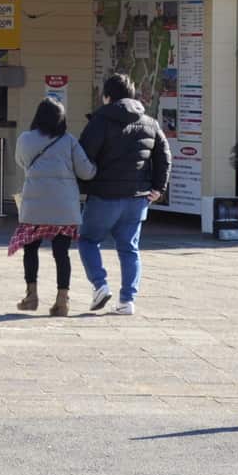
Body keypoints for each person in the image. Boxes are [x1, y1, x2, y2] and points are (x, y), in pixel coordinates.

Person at [75, 72, 170, 316]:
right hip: (138, 198)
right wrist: (158, 188)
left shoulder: (99, 121)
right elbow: (164, 156)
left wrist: (80, 188)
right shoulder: (150, 122)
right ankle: (127, 300)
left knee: (87, 240)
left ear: (107, 96)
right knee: (129, 248)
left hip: (104, 195)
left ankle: (100, 285)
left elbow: (83, 157)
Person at [8, 98, 96, 316]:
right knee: (61, 253)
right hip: (64, 209)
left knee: (30, 249)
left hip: (34, 206)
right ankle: (62, 301)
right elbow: (86, 172)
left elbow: (21, 162)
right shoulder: (69, 141)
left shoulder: (25, 139)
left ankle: (31, 295)